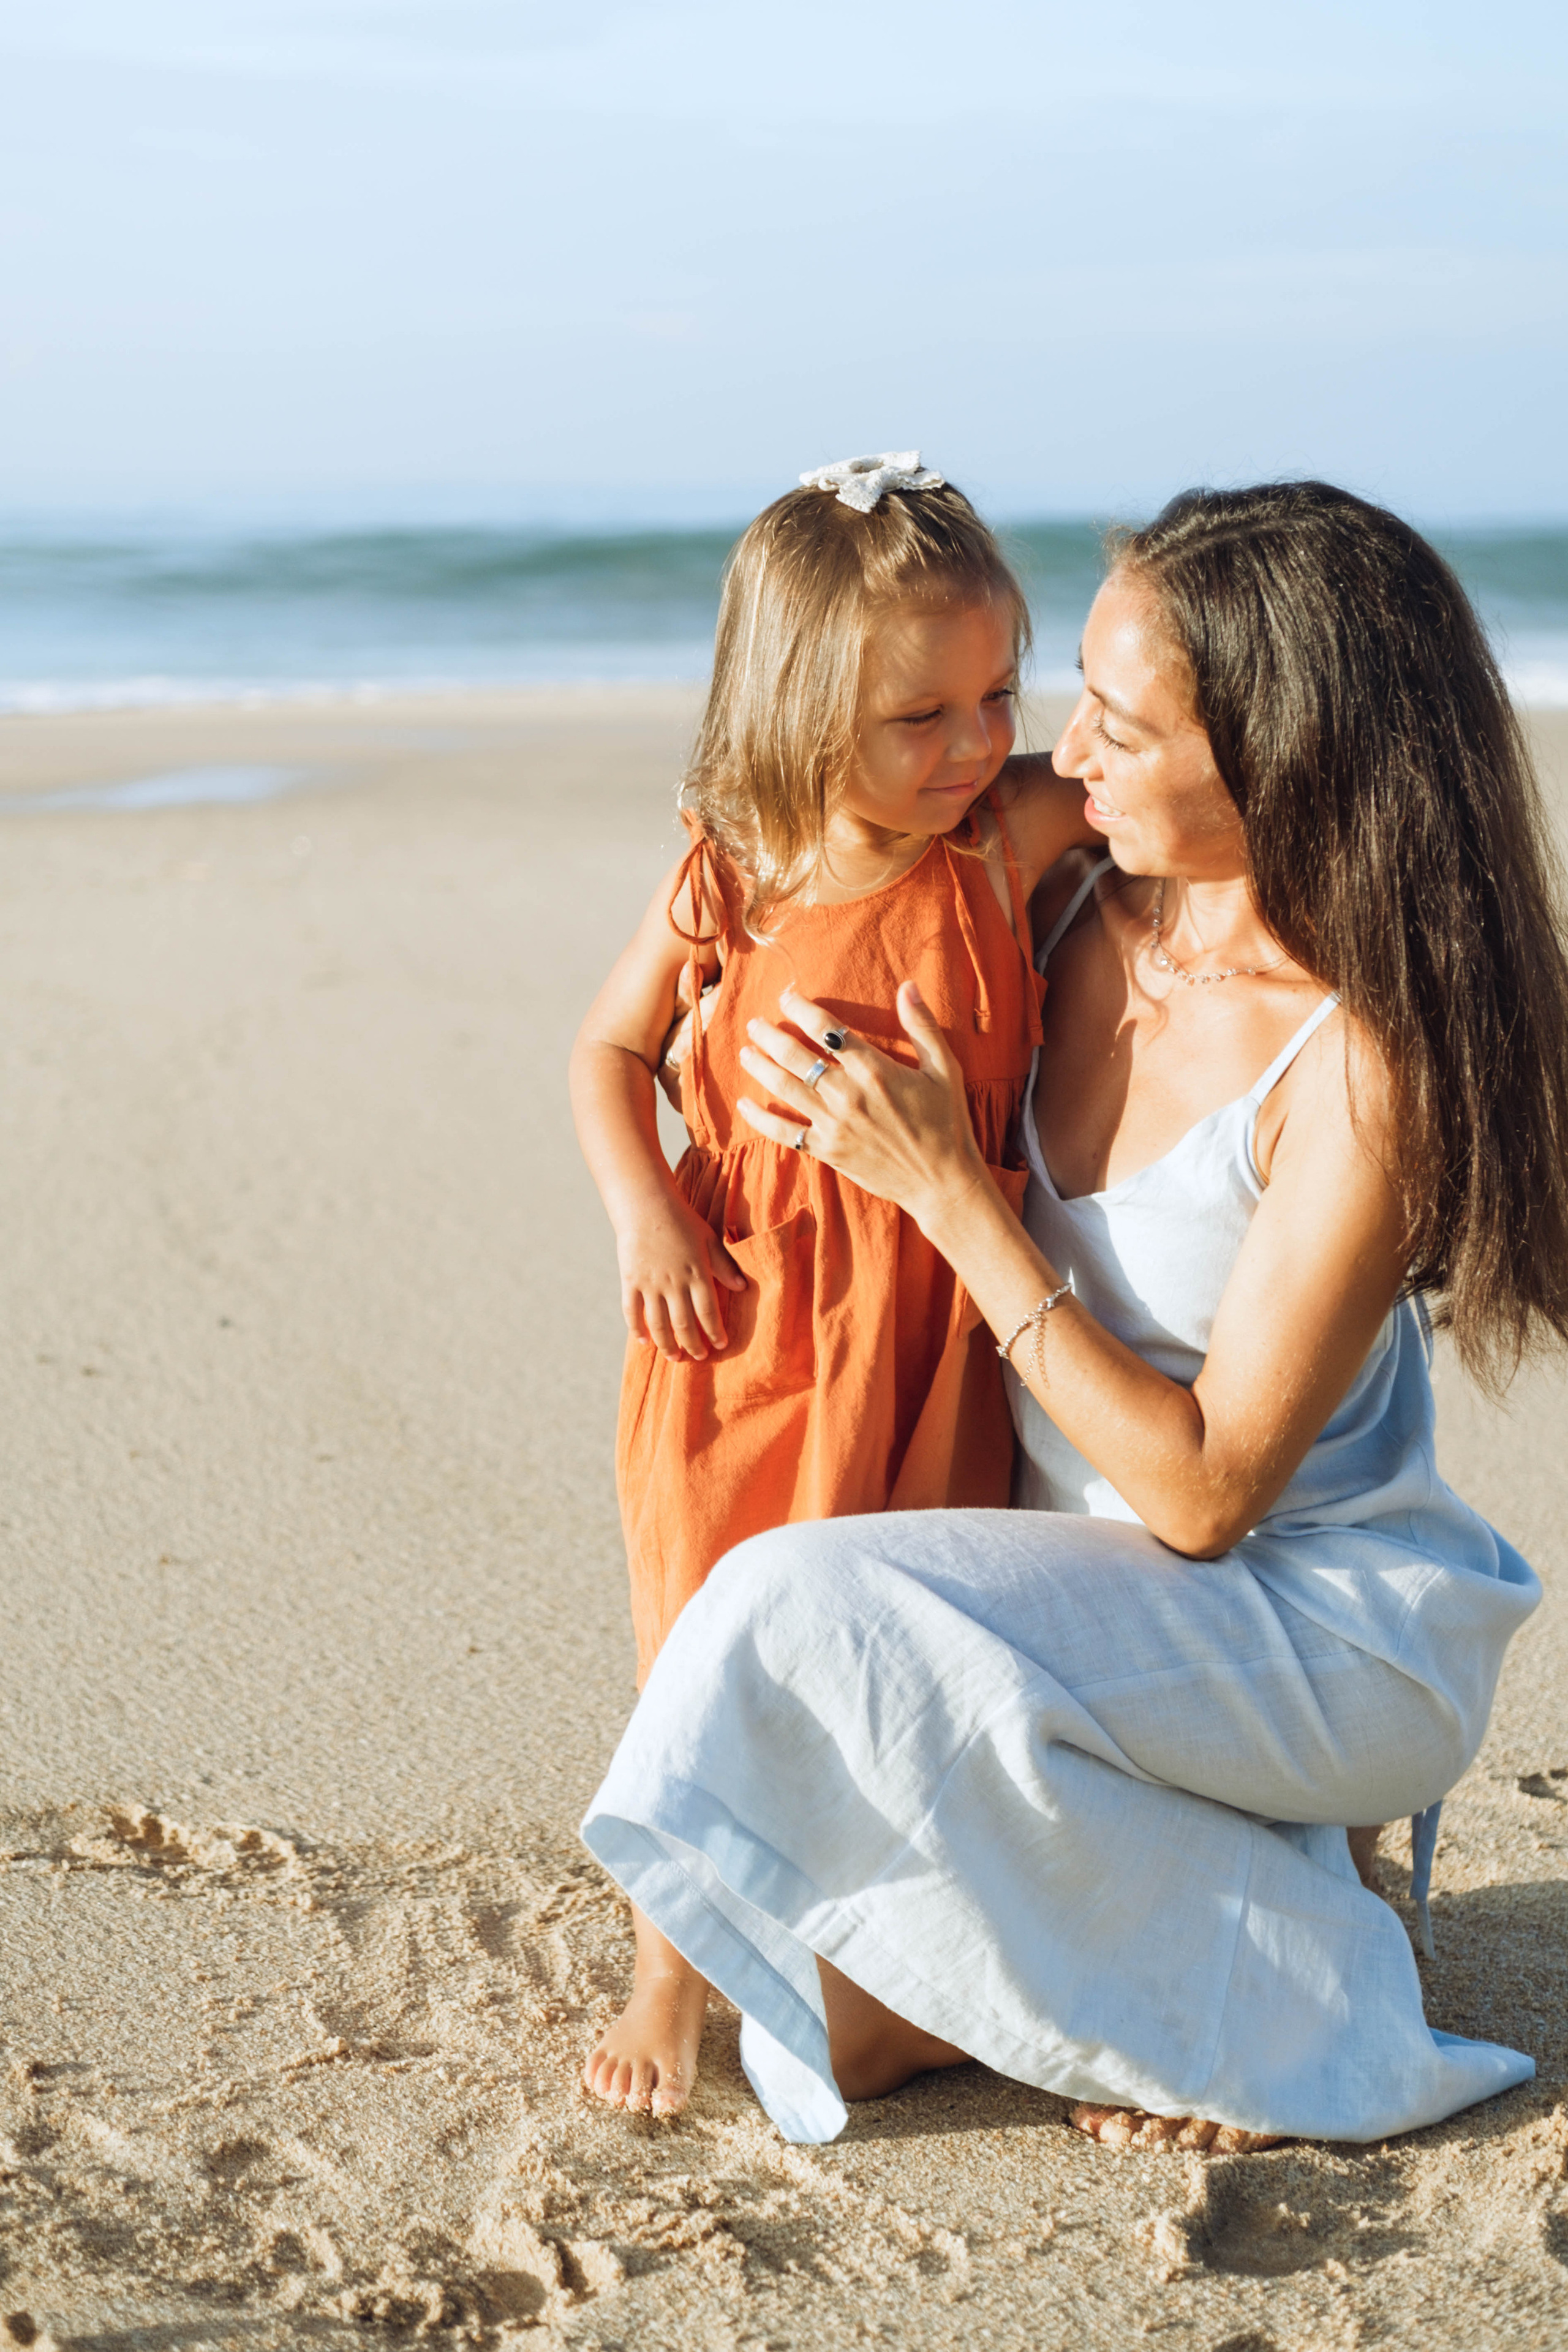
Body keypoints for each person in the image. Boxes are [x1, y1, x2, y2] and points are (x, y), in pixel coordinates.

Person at [581, 481, 1568, 2150]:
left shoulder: (1354, 1062)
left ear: (1281, 752)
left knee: (780, 1599)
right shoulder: (1059, 900)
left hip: (1308, 1625)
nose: (1057, 758)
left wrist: (951, 1191)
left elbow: (1202, 1497)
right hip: (1076, 1605)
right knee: (821, 2017)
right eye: (1076, 706)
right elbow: (778, 886)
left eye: (1115, 722)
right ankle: (1240, 1901)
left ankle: (1300, 1967)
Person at [569, 454, 1095, 2114]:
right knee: (705, 1641)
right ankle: (670, 1961)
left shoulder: (1000, 847)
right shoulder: (735, 870)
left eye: (1000, 693)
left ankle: (892, 1926)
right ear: (799, 713)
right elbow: (606, 1048)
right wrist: (646, 1214)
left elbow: (1204, 774)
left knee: (889, 1649)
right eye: (918, 718)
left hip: (928, 1336)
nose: (974, 745)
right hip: (735, 1334)